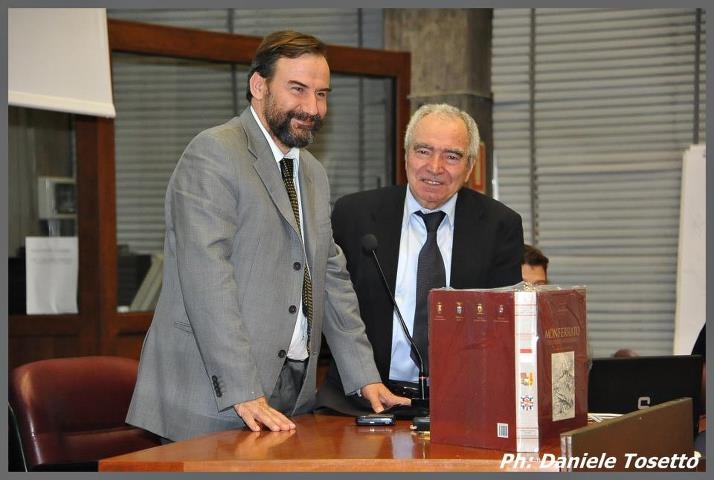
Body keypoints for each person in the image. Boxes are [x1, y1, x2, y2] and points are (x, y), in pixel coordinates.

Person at [126, 30, 407, 442]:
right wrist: (243, 390)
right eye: (298, 89)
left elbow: (329, 276)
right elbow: (208, 279)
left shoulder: (311, 172)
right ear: (258, 85)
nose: (312, 107)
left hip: (292, 391)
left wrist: (364, 376)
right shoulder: (214, 153)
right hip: (213, 395)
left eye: (322, 94)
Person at [316, 103, 524, 413]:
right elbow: (329, 308)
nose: (435, 167)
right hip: (361, 400)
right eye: (423, 151)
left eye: (452, 156)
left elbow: (502, 330)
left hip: (461, 404)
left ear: (470, 167)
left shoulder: (499, 225)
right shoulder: (354, 215)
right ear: (406, 155)